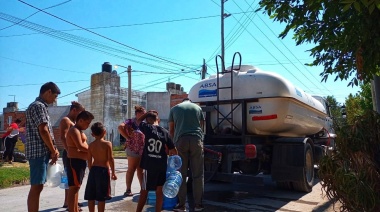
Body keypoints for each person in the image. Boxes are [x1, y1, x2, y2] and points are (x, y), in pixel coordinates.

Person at [25, 82, 61, 212]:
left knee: (38, 186)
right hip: (38, 152)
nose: (55, 100)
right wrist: (53, 150)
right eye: (55, 96)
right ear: (48, 92)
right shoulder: (38, 106)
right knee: (36, 186)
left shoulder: (38, 106)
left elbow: (46, 131)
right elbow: (44, 130)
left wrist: (54, 149)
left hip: (39, 151)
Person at [135, 111, 177, 212]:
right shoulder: (165, 132)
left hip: (149, 165)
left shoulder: (147, 127)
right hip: (161, 165)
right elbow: (174, 150)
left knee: (144, 191)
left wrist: (146, 114)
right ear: (157, 119)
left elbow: (138, 121)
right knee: (159, 192)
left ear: (147, 120)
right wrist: (175, 163)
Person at [169, 98, 205, 212]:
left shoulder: (174, 109)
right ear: (190, 101)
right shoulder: (197, 108)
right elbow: (202, 126)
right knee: (198, 175)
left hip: (181, 141)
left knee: (181, 174)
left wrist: (173, 145)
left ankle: (181, 206)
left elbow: (171, 130)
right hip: (196, 141)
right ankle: (198, 205)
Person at [84, 122, 117, 212]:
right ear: (104, 132)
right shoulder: (107, 144)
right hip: (103, 171)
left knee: (91, 195)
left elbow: (89, 161)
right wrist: (113, 172)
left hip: (94, 170)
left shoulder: (90, 145)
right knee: (101, 196)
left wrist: (91, 171)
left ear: (92, 134)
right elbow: (111, 159)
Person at [66, 110, 94, 212]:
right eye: (87, 123)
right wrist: (94, 151)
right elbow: (80, 146)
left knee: (76, 187)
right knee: (73, 188)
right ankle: (72, 210)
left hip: (80, 162)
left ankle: (75, 209)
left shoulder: (79, 131)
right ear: (81, 120)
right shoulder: (74, 130)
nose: (88, 125)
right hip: (74, 162)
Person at [59, 101, 85, 209]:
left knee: (74, 180)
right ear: (74, 110)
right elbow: (62, 137)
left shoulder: (74, 122)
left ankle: (72, 202)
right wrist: (68, 150)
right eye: (80, 112)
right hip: (70, 154)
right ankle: (69, 203)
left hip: (75, 154)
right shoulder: (66, 120)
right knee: (71, 179)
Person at [117, 105, 145, 197]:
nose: (144, 115)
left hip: (142, 149)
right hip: (132, 148)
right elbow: (120, 127)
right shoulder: (130, 122)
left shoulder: (144, 123)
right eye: (142, 113)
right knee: (131, 169)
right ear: (137, 114)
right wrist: (128, 138)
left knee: (140, 170)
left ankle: (142, 189)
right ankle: (128, 189)